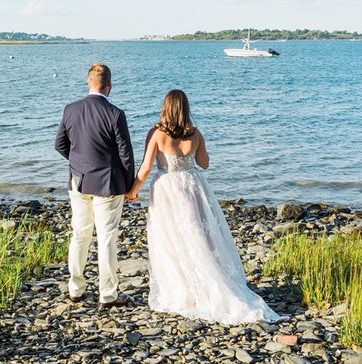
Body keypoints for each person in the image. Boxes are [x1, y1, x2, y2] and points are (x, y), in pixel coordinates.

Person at [125, 89, 281, 324]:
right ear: (185, 109)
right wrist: (194, 150)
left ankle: (183, 289)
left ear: (166, 108)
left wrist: (133, 190)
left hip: (167, 189)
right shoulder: (195, 134)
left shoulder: (157, 134)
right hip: (192, 186)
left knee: (171, 238)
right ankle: (210, 281)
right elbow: (204, 164)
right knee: (198, 234)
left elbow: (146, 168)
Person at [54, 63, 136, 309]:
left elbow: (60, 144)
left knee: (80, 234)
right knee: (106, 238)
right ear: (109, 86)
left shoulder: (71, 110)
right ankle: (108, 295)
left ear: (88, 82)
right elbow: (126, 155)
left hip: (78, 180)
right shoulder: (115, 114)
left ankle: (75, 289)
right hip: (108, 183)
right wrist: (130, 185)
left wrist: (78, 162)